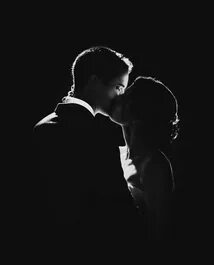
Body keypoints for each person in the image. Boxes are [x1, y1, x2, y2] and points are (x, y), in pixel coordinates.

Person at [32, 46, 140, 227]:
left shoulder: (41, 126)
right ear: (94, 82)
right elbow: (120, 209)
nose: (120, 97)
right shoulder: (97, 138)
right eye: (118, 87)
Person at [110, 76, 180, 242]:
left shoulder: (155, 165)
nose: (117, 98)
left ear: (138, 111)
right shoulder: (117, 154)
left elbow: (161, 235)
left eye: (125, 96)